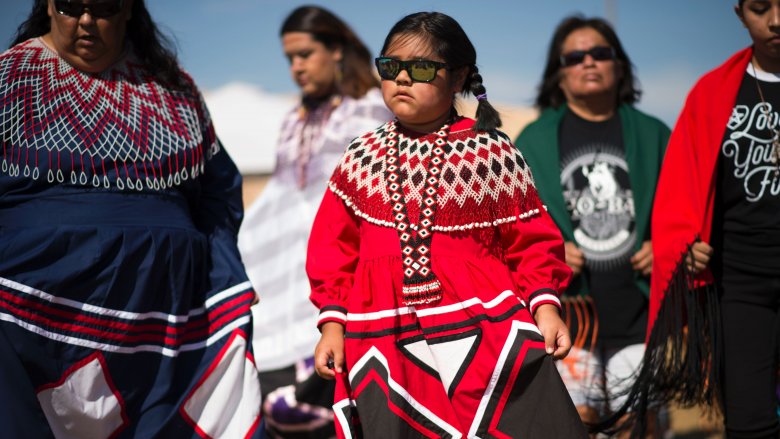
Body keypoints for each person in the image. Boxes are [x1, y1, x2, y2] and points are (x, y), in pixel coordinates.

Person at [306, 11, 588, 438]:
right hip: (384, 336)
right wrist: (332, 325)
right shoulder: (359, 156)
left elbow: (531, 242)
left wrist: (545, 307)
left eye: (420, 68)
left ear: (457, 79)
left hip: (486, 331)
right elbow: (333, 249)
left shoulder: (490, 151)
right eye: (390, 67)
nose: (402, 78)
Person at [0, 1, 262, 437]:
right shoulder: (8, 79)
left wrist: (224, 272)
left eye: (102, 6)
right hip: (34, 297)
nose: (86, 20)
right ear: (48, 7)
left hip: (169, 310)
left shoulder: (173, 88)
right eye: (70, 6)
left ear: (127, 12)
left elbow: (219, 192)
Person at [599, 0, 780, 437]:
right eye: (760, 7)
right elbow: (682, 185)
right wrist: (687, 242)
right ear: (739, 14)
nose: (776, 20)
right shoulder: (713, 91)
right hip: (739, 283)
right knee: (749, 422)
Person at [237, 6, 390, 438]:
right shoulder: (292, 120)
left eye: (305, 54)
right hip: (285, 287)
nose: (296, 67)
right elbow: (283, 197)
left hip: (344, 280)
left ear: (336, 49)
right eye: (289, 59)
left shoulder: (371, 110)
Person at [514, 16, 670, 437]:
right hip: (567, 320)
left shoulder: (655, 135)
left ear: (619, 65)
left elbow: (687, 213)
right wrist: (549, 251)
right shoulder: (531, 141)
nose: (589, 62)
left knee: (644, 427)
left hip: (639, 318)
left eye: (601, 53)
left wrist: (667, 245)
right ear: (558, 73)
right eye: (575, 56)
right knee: (572, 426)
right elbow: (511, 229)